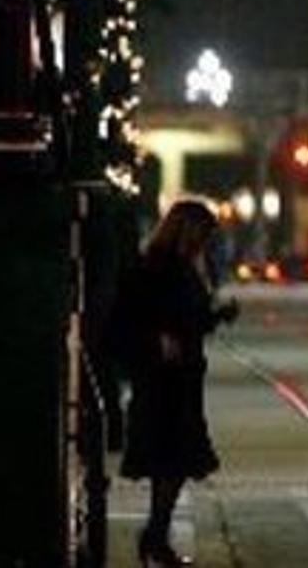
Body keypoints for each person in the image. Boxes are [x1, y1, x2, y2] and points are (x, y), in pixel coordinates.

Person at [113, 199, 239, 567]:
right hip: (161, 382)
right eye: (202, 234)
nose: (204, 242)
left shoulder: (180, 267)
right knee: (172, 460)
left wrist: (216, 317)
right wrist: (157, 340)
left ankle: (156, 537)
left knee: (172, 463)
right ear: (186, 230)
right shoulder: (154, 268)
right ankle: (155, 538)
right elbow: (128, 321)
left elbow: (190, 322)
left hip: (181, 380)